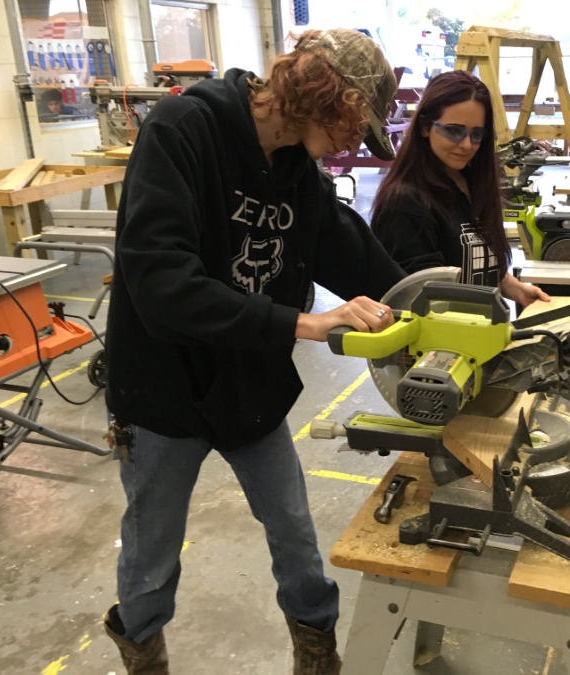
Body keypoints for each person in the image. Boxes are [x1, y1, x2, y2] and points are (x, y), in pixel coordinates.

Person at [103, 29, 405, 675]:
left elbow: (354, 253)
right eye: (357, 122)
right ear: (328, 92)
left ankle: (316, 653)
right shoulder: (183, 130)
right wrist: (301, 321)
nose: (355, 143)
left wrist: (430, 303)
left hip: (247, 383)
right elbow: (162, 286)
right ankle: (143, 655)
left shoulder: (298, 167)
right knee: (152, 556)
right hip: (164, 389)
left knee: (294, 531)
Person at [370, 70, 548, 307]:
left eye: (476, 134)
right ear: (425, 127)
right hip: (443, 341)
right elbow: (420, 298)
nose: (466, 145)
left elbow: (467, 260)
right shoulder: (405, 202)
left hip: (479, 333)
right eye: (453, 131)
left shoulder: (471, 182)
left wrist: (513, 288)